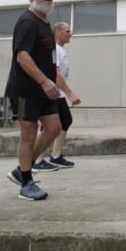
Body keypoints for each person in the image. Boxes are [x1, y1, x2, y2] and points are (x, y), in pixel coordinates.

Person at [5, 0, 63, 200]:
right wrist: (44, 81)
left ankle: (22, 169)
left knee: (53, 128)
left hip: (44, 90)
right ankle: (26, 182)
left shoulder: (45, 22)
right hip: (25, 89)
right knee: (28, 134)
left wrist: (52, 82)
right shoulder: (27, 21)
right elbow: (22, 56)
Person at [37, 21, 81, 170]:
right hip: (53, 93)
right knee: (47, 126)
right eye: (67, 31)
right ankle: (37, 160)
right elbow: (55, 74)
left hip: (59, 94)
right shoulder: (54, 49)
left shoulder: (60, 49)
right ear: (58, 33)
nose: (70, 34)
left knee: (66, 120)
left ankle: (56, 156)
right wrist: (70, 93)